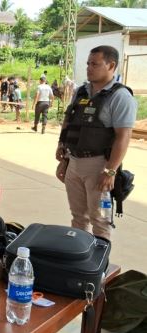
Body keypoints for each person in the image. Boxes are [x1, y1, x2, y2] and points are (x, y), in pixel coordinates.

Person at [56, 45, 137, 241]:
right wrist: (63, 152)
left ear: (111, 65)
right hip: (74, 161)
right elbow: (70, 121)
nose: (89, 68)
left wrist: (110, 171)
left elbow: (123, 136)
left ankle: (99, 268)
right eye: (88, 64)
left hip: (99, 165)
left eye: (95, 64)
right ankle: (80, 260)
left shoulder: (121, 97)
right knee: (78, 217)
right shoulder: (82, 91)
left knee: (100, 220)